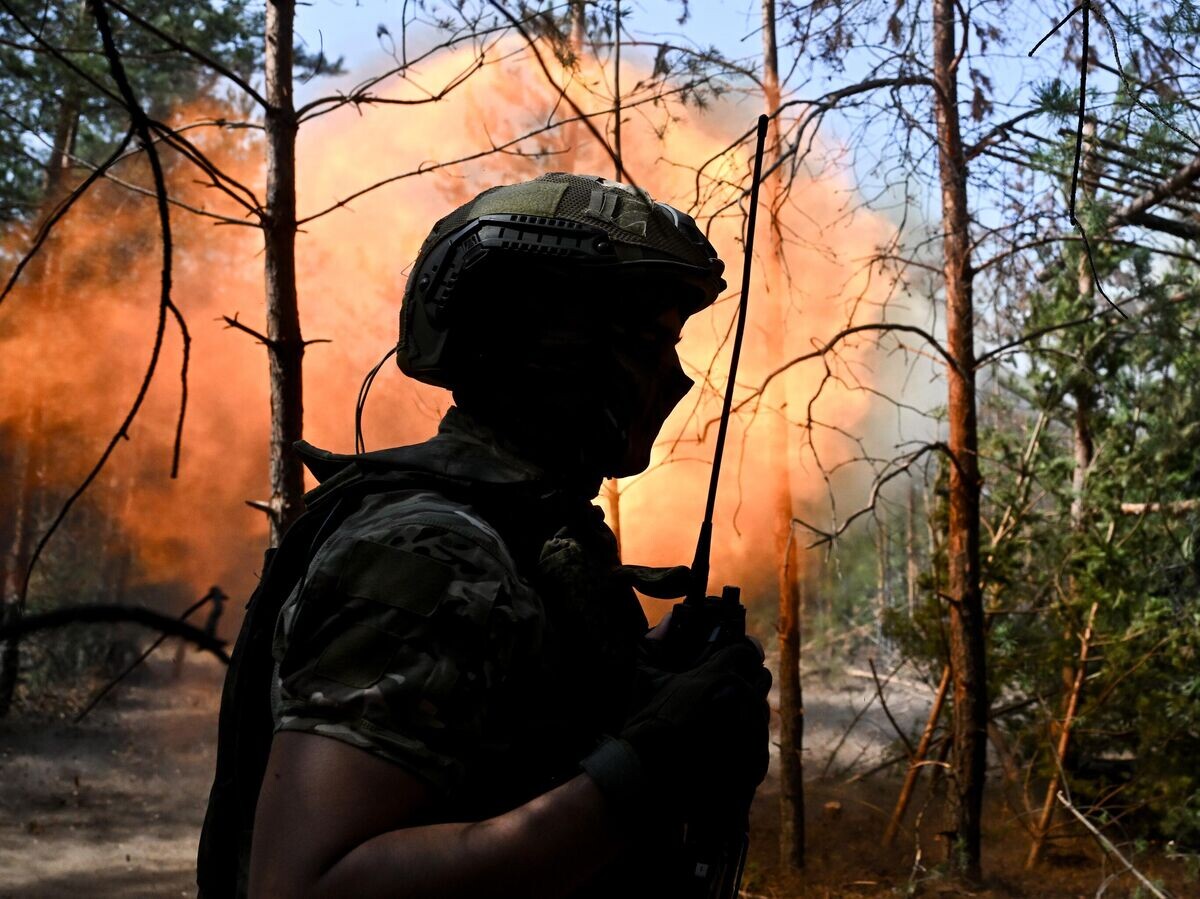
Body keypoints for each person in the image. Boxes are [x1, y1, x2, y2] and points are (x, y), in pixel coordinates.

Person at [199, 173, 771, 898]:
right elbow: (307, 883)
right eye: (656, 340)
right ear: (557, 345)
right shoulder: (428, 553)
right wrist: (645, 769)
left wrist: (647, 680)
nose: (677, 377)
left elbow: (503, 741)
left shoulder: (521, 535)